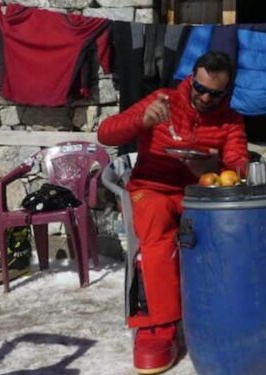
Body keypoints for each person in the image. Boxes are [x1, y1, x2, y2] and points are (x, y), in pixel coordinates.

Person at [98, 51, 249, 374]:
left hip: (197, 194)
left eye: (215, 93)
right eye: (200, 88)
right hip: (150, 187)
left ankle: (220, 314)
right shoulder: (163, 100)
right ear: (190, 79)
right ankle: (159, 325)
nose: (206, 97)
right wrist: (141, 120)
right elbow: (106, 132)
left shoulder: (230, 120)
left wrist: (211, 166)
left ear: (227, 92)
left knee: (226, 233)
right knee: (156, 222)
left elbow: (239, 165)